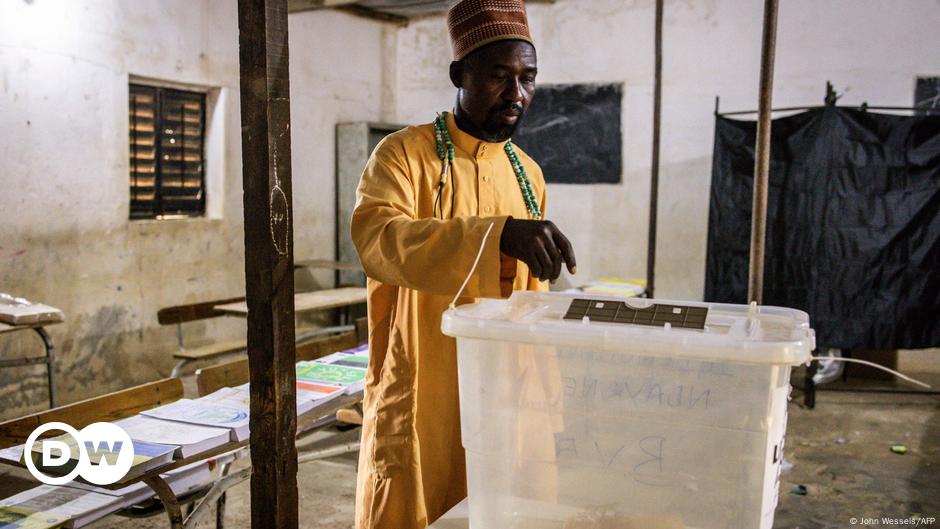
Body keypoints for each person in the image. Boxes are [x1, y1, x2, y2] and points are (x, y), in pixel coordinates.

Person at [350, 1, 576, 527]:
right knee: (418, 498)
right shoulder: (402, 156)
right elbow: (377, 239)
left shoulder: (528, 173)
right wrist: (495, 233)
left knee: (503, 500)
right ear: (460, 75)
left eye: (527, 78)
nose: (516, 93)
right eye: (499, 76)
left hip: (507, 382)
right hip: (428, 374)